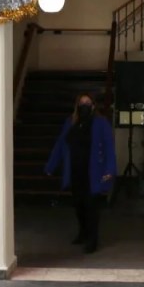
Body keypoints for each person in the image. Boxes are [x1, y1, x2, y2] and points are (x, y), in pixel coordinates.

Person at [45, 93, 116, 254]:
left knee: (91, 206)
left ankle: (92, 239)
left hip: (93, 172)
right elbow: (60, 144)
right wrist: (51, 166)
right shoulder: (71, 122)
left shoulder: (101, 123)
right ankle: (83, 233)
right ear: (77, 105)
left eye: (88, 102)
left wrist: (110, 170)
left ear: (93, 105)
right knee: (79, 205)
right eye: (81, 103)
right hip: (75, 171)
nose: (84, 105)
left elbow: (109, 148)